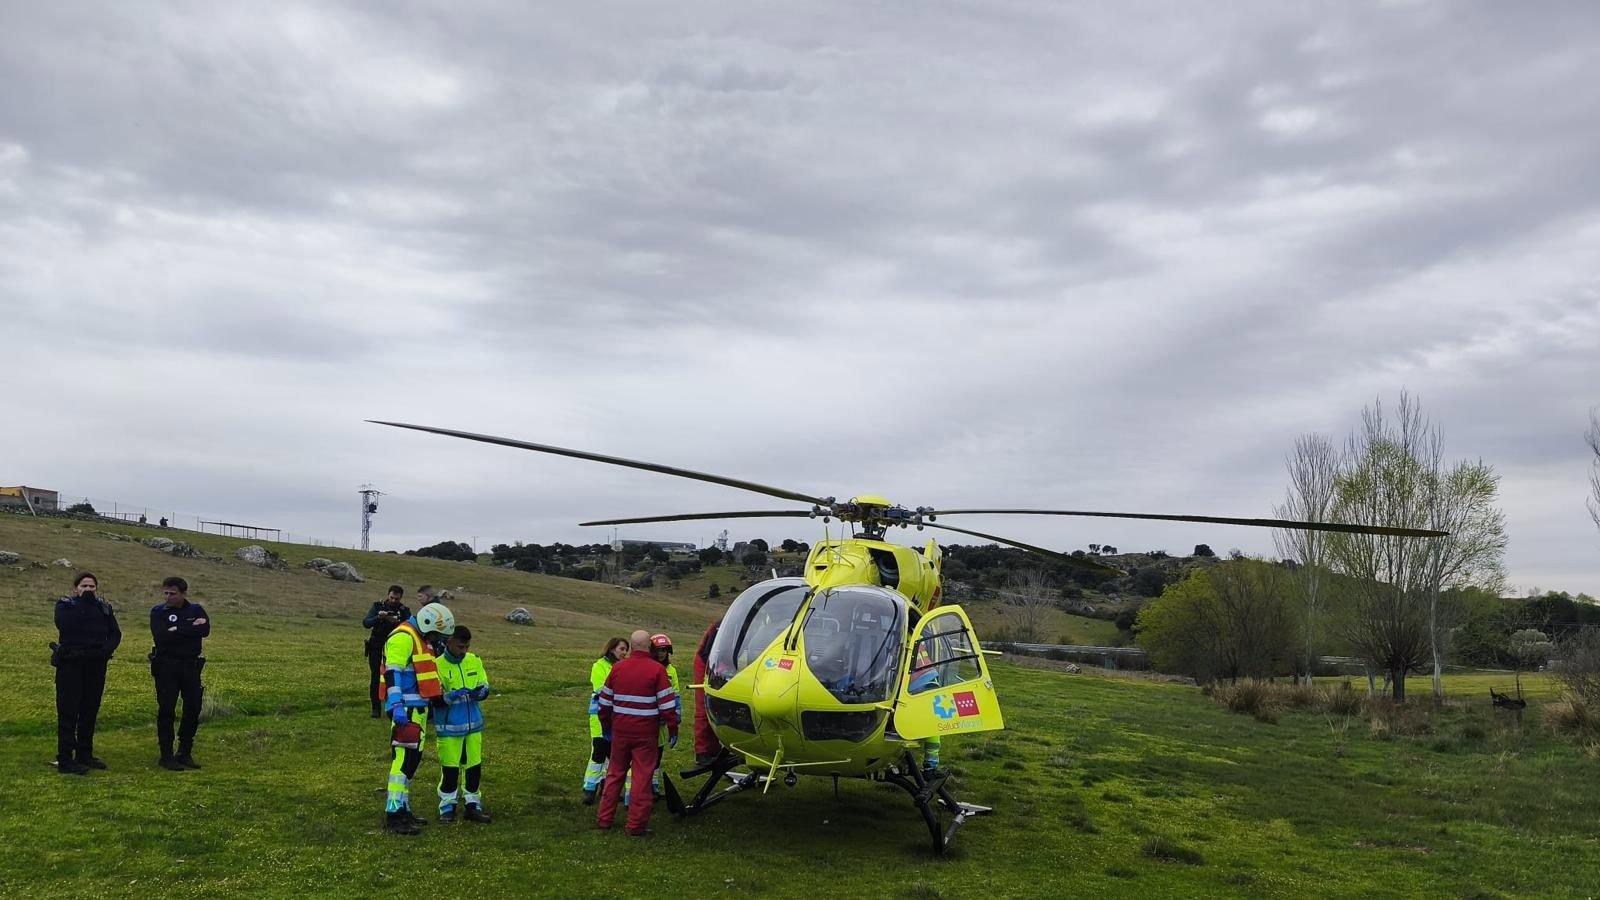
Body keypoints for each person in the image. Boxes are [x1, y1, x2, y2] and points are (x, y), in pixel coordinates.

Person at [596, 630, 679, 836]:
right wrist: (672, 728)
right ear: (649, 647)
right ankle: (635, 826)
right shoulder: (657, 671)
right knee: (642, 778)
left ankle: (604, 819)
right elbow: (668, 705)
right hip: (645, 734)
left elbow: (604, 703)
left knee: (615, 774)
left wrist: (607, 727)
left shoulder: (617, 669)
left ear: (632, 646)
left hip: (620, 732)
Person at [382, 601, 455, 835]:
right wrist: (397, 705)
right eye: (435, 633)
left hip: (418, 709)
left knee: (412, 762)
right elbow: (392, 673)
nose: (436, 638)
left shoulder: (420, 639)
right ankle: (393, 812)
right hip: (407, 710)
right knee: (402, 762)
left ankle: (403, 808)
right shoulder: (403, 638)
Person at [53, 571, 122, 774]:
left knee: (90, 709)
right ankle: (66, 758)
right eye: (84, 586)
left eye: (92, 587)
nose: (89, 590)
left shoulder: (104, 608)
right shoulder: (66, 606)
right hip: (71, 664)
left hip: (95, 664)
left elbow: (115, 633)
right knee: (68, 710)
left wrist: (105, 651)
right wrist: (84, 603)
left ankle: (85, 753)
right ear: (76, 588)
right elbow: (65, 626)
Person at [150, 576, 210, 771]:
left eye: (173, 594)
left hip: (190, 666)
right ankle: (166, 755)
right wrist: (190, 628)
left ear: (183, 593)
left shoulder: (196, 610)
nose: (168, 597)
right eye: (166, 593)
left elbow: (205, 630)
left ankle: (185, 752)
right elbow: (162, 637)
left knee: (192, 708)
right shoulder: (158, 611)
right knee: (167, 710)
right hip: (166, 666)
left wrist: (177, 629)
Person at [433, 626, 492, 824]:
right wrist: (450, 696)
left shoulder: (474, 660)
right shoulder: (436, 665)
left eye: (467, 646)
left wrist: (481, 692)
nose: (464, 651)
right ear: (449, 642)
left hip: (473, 726)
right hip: (449, 728)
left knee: (474, 767)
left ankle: (472, 805)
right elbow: (435, 699)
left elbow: (484, 684)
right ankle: (447, 806)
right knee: (450, 769)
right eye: (460, 646)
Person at [582, 636, 630, 804]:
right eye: (621, 649)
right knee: (599, 750)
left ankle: (607, 788)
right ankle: (589, 788)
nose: (624, 653)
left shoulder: (624, 667)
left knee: (613, 753)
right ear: (612, 649)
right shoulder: (599, 666)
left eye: (626, 650)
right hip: (599, 714)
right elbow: (600, 688)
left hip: (617, 715)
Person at [363, 586, 411, 718]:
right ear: (388, 595)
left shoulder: (404, 611)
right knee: (375, 677)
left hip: (394, 649)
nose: (393, 600)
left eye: (396, 598)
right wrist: (379, 617)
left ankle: (393, 706)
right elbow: (366, 623)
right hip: (376, 646)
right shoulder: (378, 606)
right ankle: (375, 708)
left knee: (394, 677)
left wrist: (397, 622)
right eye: (391, 598)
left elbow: (411, 627)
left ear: (401, 598)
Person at [645, 633, 681, 798]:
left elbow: (676, 695)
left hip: (662, 721)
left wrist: (676, 717)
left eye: (664, 650)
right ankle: (643, 786)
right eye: (658, 650)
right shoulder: (648, 667)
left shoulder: (671, 671)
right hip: (647, 718)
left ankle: (654, 783)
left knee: (658, 753)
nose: (661, 653)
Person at [692, 619, 722, 766]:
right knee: (704, 707)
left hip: (717, 662)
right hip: (705, 662)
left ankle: (715, 748)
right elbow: (706, 653)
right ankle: (702, 752)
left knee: (717, 706)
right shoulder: (720, 627)